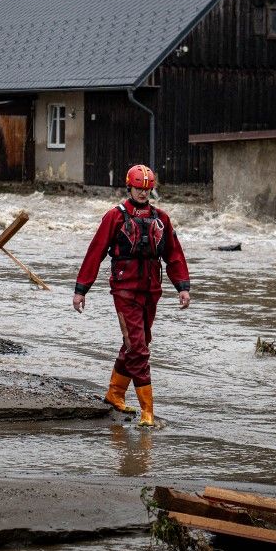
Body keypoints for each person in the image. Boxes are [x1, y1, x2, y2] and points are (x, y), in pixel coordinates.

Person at [73, 164, 190, 427]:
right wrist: (81, 290)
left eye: (147, 189)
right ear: (130, 186)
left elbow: (173, 254)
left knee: (139, 341)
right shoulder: (114, 217)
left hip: (151, 290)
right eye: (138, 188)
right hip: (125, 290)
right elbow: (95, 253)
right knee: (138, 347)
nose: (142, 193)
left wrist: (182, 286)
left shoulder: (162, 218)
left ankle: (115, 394)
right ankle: (148, 411)